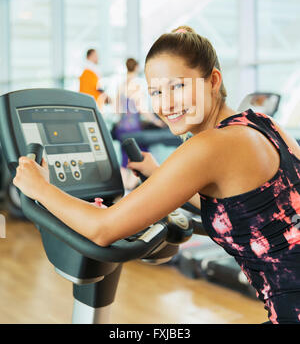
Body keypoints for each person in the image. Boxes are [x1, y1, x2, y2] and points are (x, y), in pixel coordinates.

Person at [13, 26, 300, 324]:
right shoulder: (262, 123)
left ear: (213, 80)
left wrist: (40, 188)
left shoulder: (209, 145)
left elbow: (103, 229)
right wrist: (161, 176)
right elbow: (252, 213)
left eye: (178, 86)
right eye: (156, 92)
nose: (166, 104)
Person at [112, 58, 165, 189]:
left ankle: (125, 187)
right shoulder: (136, 85)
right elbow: (142, 109)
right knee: (142, 154)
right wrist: (156, 121)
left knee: (124, 158)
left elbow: (118, 110)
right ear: (136, 67)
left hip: (122, 128)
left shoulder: (121, 85)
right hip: (133, 128)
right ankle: (133, 184)